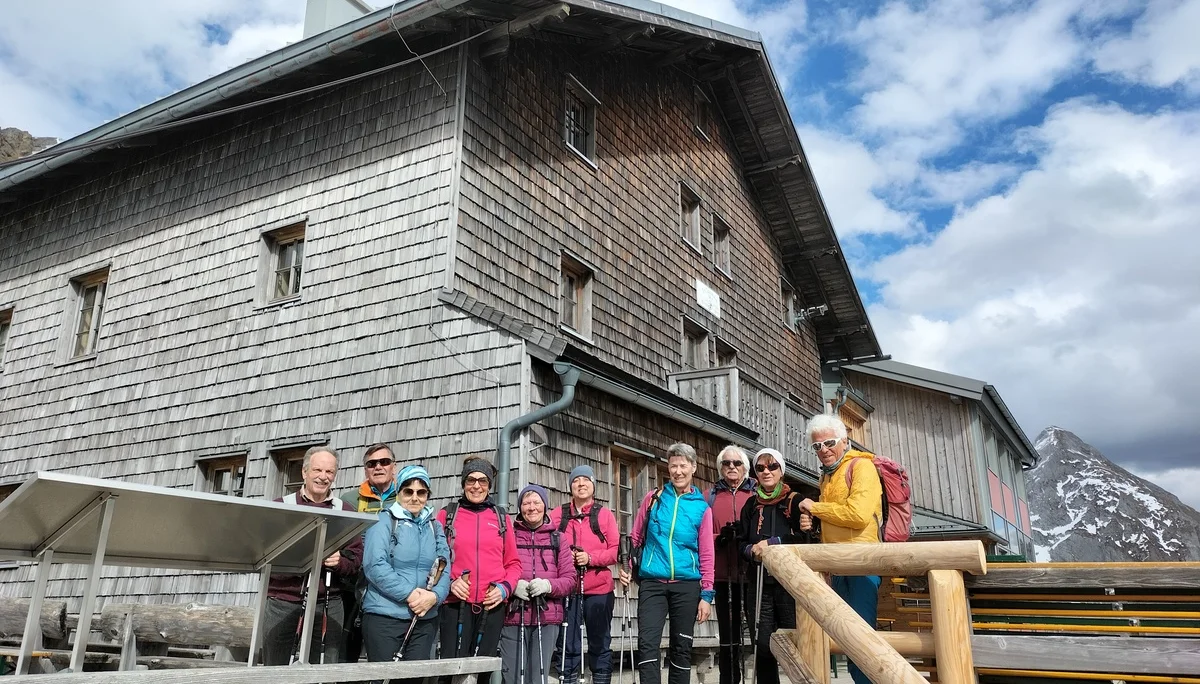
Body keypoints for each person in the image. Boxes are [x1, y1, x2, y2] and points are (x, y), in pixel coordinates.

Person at [797, 414, 882, 684]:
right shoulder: (828, 477)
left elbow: (858, 516)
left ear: (844, 440)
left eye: (829, 443)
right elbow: (838, 519)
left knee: (861, 636)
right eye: (817, 446)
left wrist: (815, 508)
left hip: (861, 563)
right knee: (846, 636)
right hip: (838, 564)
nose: (823, 450)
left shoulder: (862, 467)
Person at [620, 443, 714, 684]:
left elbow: (706, 554)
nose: (678, 471)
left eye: (683, 465)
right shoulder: (654, 499)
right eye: (673, 466)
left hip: (687, 585)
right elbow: (636, 537)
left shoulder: (702, 508)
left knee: (681, 646)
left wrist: (706, 595)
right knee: (648, 644)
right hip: (653, 582)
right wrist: (627, 567)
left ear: (693, 467)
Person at [264, 446, 362, 665]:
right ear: (304, 472)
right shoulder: (281, 507)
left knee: (323, 669)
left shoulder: (345, 510)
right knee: (274, 669)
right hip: (283, 600)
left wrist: (340, 562)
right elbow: (265, 554)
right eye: (317, 470)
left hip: (328, 601)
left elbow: (356, 559)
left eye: (329, 472)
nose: (323, 477)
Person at [361, 464, 450, 680]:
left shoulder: (434, 526)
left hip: (424, 618)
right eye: (408, 491)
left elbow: (444, 565)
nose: (415, 498)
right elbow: (374, 565)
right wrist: (410, 594)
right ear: (399, 492)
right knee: (383, 678)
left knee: (415, 679)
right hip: (385, 616)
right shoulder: (383, 521)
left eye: (421, 492)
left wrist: (434, 597)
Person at [739, 448, 815, 684]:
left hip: (790, 584)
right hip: (760, 582)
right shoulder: (751, 505)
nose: (766, 471)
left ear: (781, 471)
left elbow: (808, 539)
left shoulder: (796, 501)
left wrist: (773, 543)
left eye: (772, 466)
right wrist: (751, 551)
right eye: (760, 468)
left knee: (796, 643)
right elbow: (741, 542)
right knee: (763, 644)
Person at [437, 457, 522, 664]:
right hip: (455, 604)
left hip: (491, 606)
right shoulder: (447, 515)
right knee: (451, 667)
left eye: (482, 481)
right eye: (471, 480)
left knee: (482, 669)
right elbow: (434, 561)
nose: (476, 486)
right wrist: (449, 583)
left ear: (489, 486)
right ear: (463, 484)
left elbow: (513, 564)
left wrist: (504, 589)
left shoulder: (501, 518)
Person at [549, 465, 619, 684]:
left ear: (593, 486)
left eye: (585, 480)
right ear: (570, 487)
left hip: (599, 589)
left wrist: (590, 558)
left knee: (599, 641)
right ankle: (567, 679)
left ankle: (601, 679)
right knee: (568, 642)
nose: (581, 484)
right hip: (568, 589)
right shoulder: (558, 514)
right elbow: (548, 544)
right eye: (576, 481)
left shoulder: (604, 515)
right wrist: (565, 556)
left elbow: (614, 550)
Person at [501, 485, 575, 684]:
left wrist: (548, 585)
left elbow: (570, 580)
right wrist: (512, 586)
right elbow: (497, 570)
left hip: (547, 617)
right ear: (520, 507)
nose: (531, 508)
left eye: (536, 502)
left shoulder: (558, 538)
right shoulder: (509, 536)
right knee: (513, 677)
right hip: (513, 616)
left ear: (545, 506)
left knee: (538, 678)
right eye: (526, 503)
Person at [340, 443, 401, 664]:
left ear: (393, 467)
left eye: (384, 462)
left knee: (385, 658)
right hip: (352, 589)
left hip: (390, 591)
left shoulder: (406, 498)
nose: (378, 467)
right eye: (371, 463)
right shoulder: (348, 500)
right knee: (346, 656)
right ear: (365, 470)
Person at [706, 445, 755, 684]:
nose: (732, 467)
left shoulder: (756, 494)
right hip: (723, 575)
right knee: (728, 637)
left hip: (752, 574)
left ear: (745, 467)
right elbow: (702, 535)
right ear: (720, 468)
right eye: (727, 463)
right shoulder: (710, 496)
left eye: (736, 463)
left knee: (758, 636)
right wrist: (720, 537)